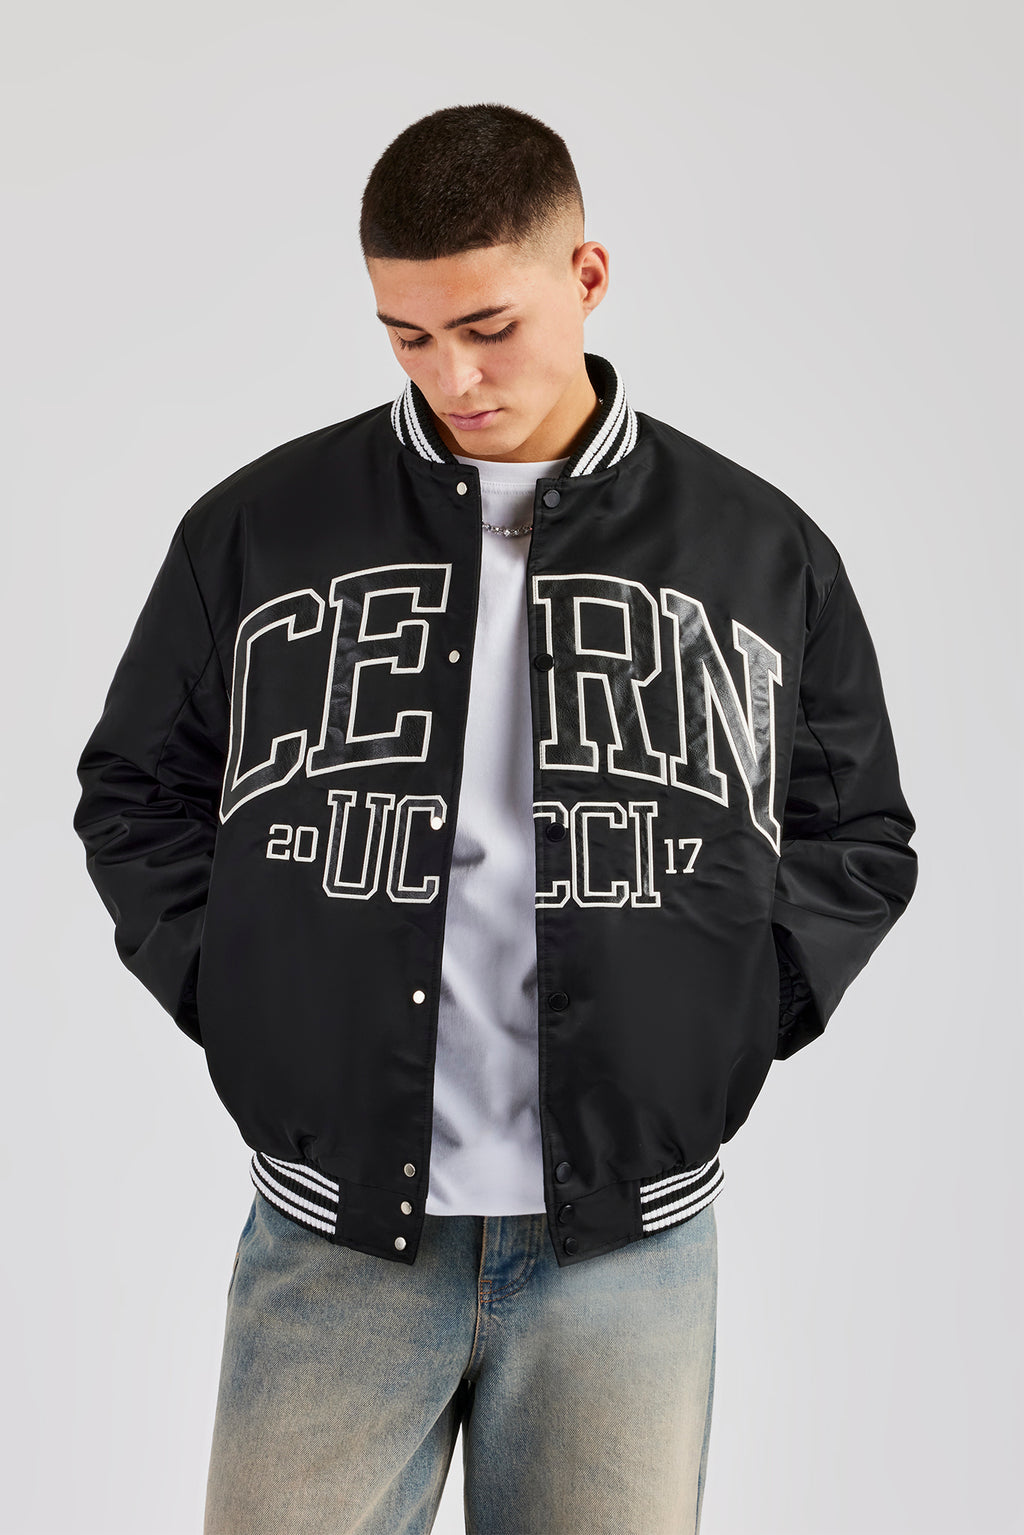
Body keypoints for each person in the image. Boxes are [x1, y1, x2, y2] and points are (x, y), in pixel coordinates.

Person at [72, 103, 918, 1535]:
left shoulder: (759, 549)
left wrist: (728, 1018)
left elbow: (858, 835)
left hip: (625, 1254)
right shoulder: (261, 529)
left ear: (587, 276)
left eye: (488, 327)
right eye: (406, 336)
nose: (452, 376)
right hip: (335, 1237)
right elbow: (136, 793)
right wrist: (249, 999)